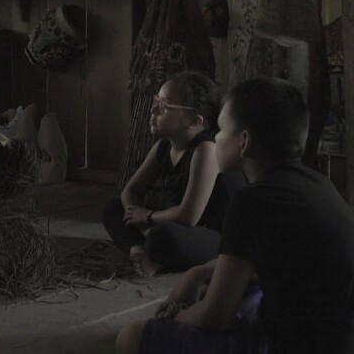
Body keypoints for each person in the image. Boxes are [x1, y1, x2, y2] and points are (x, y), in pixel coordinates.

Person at [117, 77, 354, 354]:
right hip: (337, 340)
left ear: (243, 142)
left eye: (221, 129)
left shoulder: (251, 200)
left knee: (131, 336)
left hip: (288, 345)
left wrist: (175, 316)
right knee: (231, 291)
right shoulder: (318, 184)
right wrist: (198, 273)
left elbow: (215, 318)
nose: (215, 137)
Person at [103, 71, 245, 277]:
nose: (153, 110)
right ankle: (139, 252)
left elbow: (189, 215)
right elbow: (131, 191)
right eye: (156, 101)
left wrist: (148, 217)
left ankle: (158, 257)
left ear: (195, 121)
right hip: (182, 228)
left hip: (219, 236)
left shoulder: (207, 148)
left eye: (164, 106)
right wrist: (143, 225)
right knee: (113, 209)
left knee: (164, 236)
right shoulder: (164, 146)